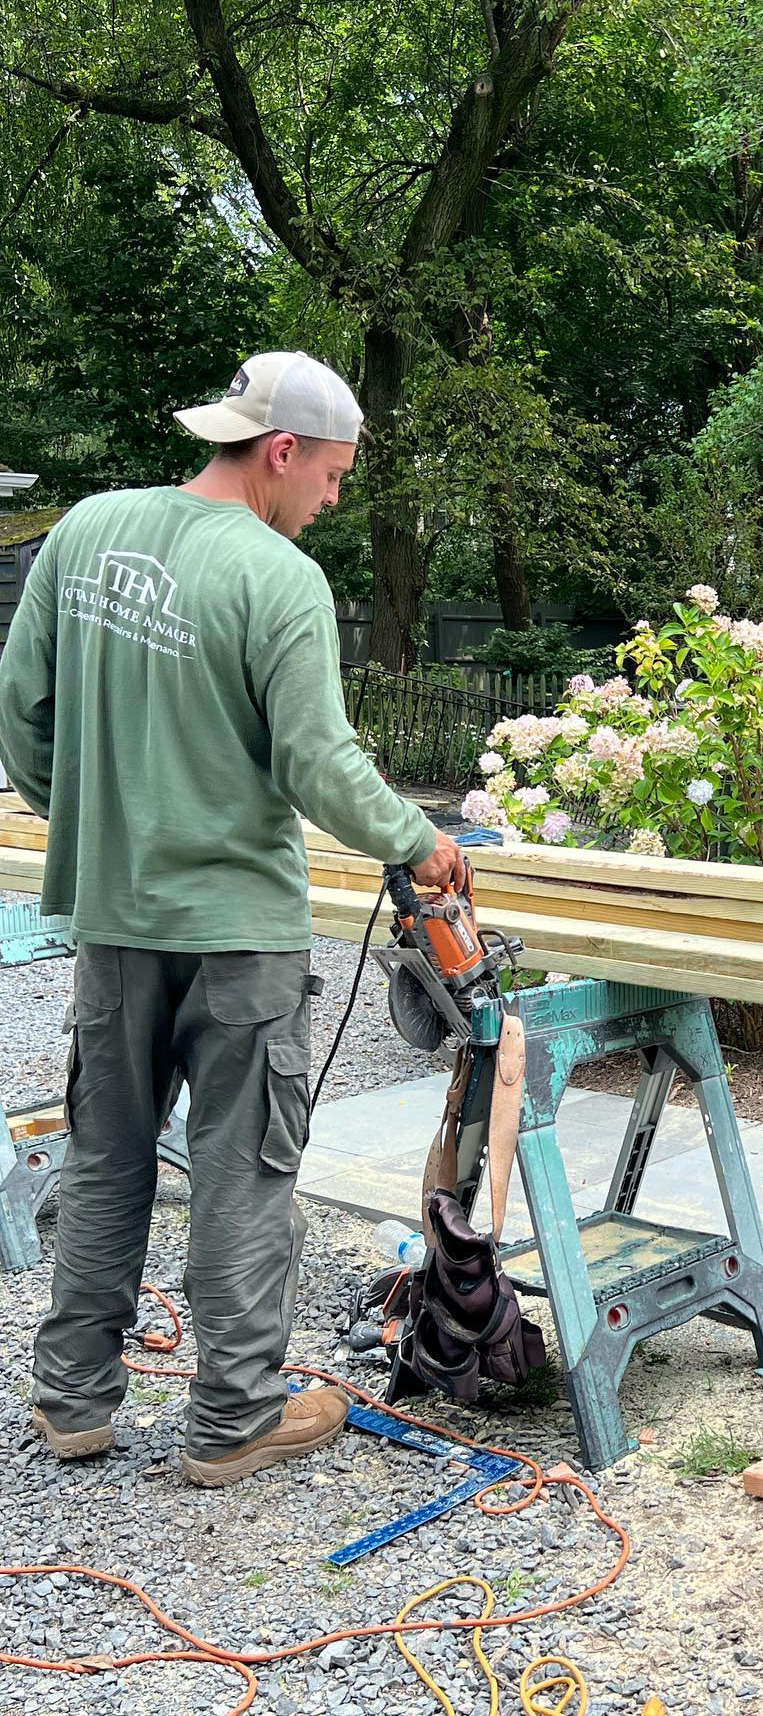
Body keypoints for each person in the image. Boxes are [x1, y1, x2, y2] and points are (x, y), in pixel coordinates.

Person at [0, 351, 463, 1486]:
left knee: (107, 1155)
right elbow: (316, 760)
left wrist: (96, 817)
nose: (336, 501)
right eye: (336, 477)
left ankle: (73, 1403)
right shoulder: (277, 577)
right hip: (238, 933)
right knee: (242, 1167)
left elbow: (20, 710)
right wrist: (418, 839)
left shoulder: (85, 534)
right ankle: (235, 1418)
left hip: (114, 920)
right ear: (282, 451)